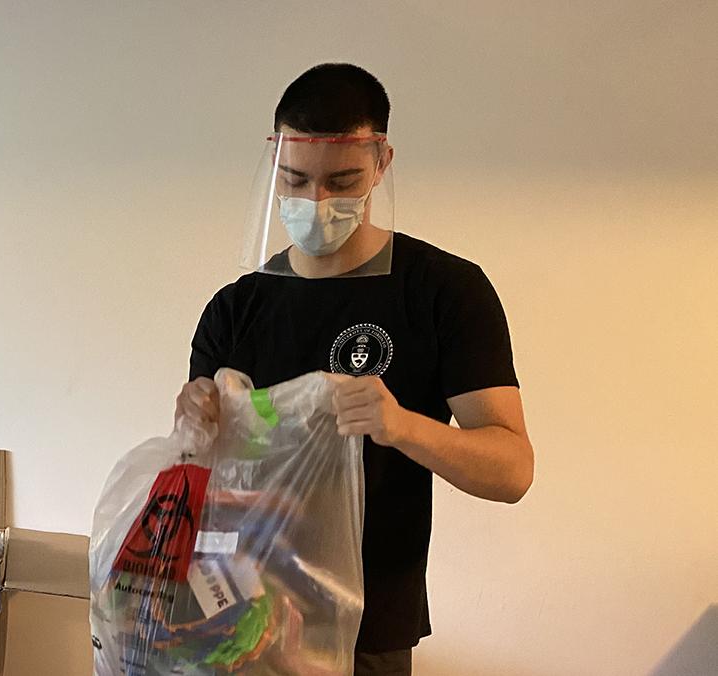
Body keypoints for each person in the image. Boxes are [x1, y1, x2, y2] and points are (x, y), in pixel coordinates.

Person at [177, 63, 534, 675]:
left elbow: (512, 470)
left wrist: (404, 427)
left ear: (381, 163)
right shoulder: (236, 308)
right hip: (237, 615)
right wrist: (194, 425)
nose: (315, 203)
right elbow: (205, 473)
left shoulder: (443, 291)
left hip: (366, 625)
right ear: (275, 167)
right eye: (295, 179)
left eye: (341, 182)